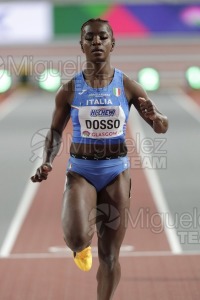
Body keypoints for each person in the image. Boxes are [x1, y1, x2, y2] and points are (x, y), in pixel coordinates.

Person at [31, 18, 168, 300]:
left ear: (112, 44)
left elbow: (161, 126)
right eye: (90, 37)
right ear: (81, 45)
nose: (96, 42)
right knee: (78, 237)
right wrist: (47, 161)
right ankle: (79, 246)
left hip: (116, 172)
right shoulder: (69, 90)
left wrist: (157, 118)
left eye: (102, 37)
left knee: (109, 257)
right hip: (80, 171)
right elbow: (55, 132)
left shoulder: (129, 86)